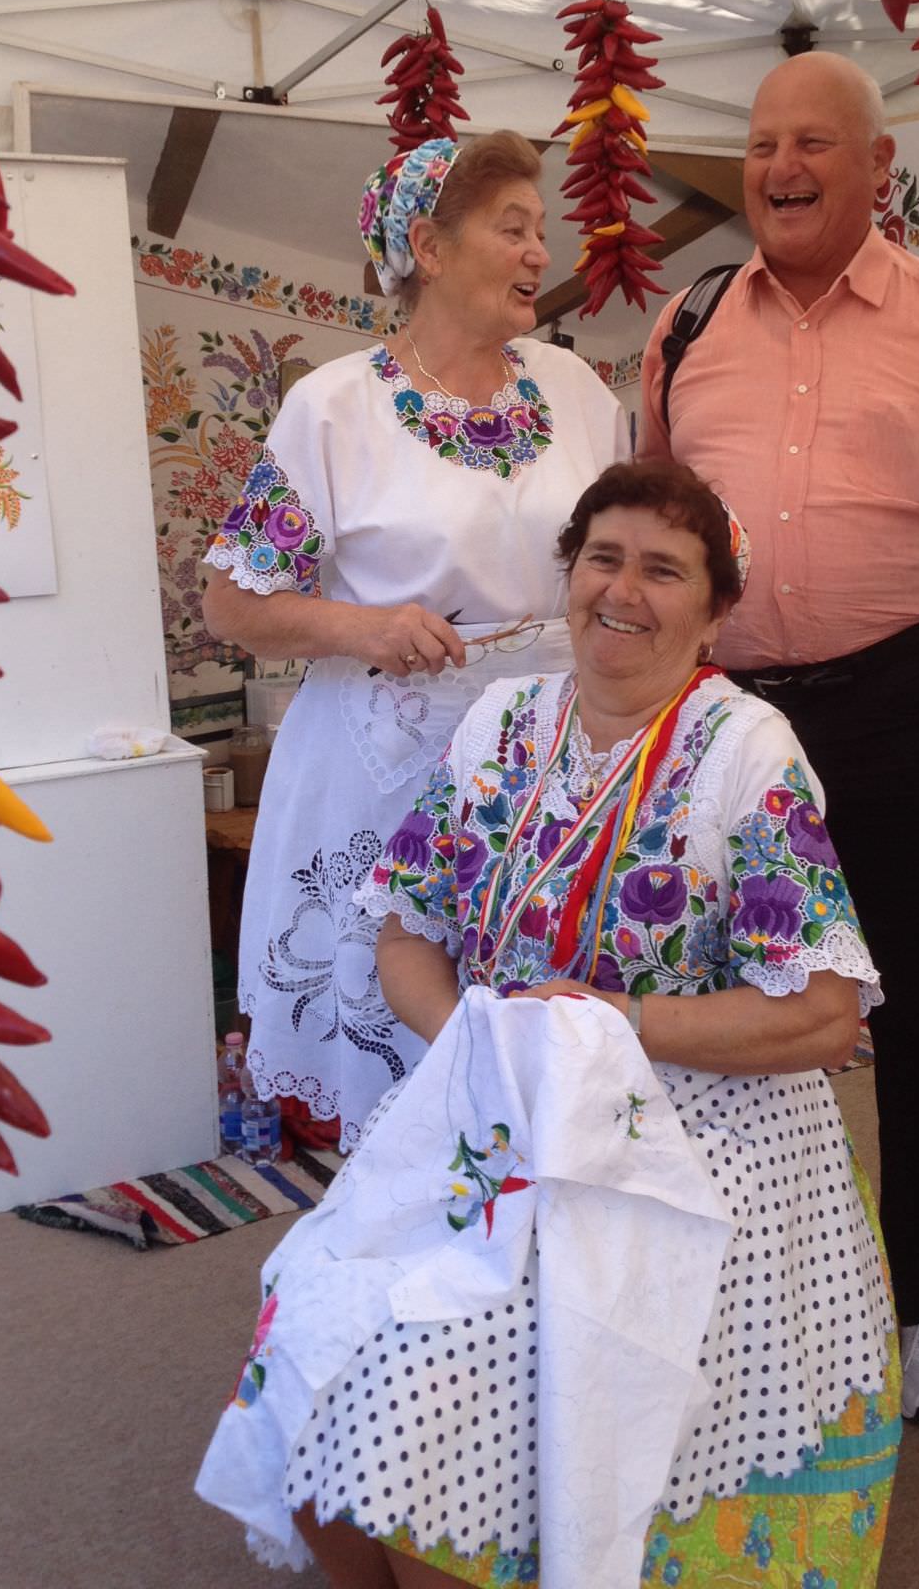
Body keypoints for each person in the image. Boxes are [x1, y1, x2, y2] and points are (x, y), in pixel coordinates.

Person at [197, 460, 899, 1588]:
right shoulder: (503, 719)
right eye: (603, 558)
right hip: (497, 1106)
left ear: (716, 607)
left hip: (687, 1137)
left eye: (664, 569)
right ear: (569, 576)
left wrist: (614, 1023)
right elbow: (405, 930)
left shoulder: (746, 751)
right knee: (310, 1331)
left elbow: (818, 1015)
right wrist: (482, 1042)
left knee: (449, 1388)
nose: (623, 590)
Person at [638, 50, 919, 1422]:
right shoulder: (688, 318)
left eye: (816, 142)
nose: (782, 168)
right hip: (731, 722)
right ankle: (732, 1295)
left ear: (882, 168)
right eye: (762, 144)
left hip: (910, 702)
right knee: (722, 1006)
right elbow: (656, 515)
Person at [201, 131, 629, 1147]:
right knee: (399, 1065)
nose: (539, 252)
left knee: (544, 1050)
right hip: (385, 773)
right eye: (511, 228)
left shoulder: (577, 394)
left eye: (542, 229)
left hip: (549, 766)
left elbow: (623, 553)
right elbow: (231, 602)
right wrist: (364, 625)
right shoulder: (334, 408)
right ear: (429, 249)